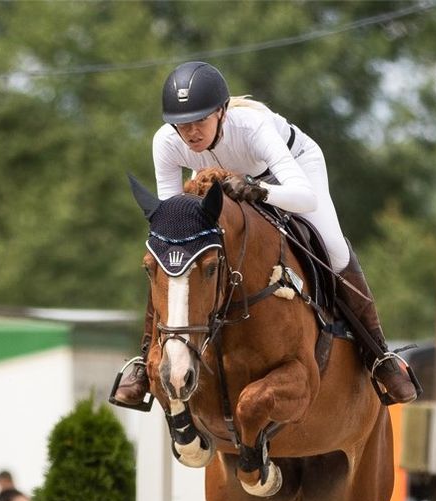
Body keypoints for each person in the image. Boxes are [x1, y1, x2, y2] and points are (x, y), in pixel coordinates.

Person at [113, 61, 418, 409]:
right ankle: (142, 360)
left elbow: (304, 196)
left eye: (200, 121)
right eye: (182, 125)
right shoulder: (166, 142)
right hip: (232, 185)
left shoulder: (253, 127)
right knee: (171, 259)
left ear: (222, 112)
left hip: (290, 172)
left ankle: (379, 355)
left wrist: (257, 189)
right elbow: (173, 224)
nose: (192, 132)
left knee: (333, 247)